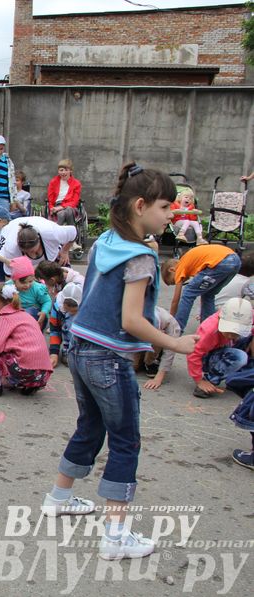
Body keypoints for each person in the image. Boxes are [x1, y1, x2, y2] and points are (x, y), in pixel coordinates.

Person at [41, 162, 198, 561]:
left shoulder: (107, 240)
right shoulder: (141, 257)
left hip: (79, 346)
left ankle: (58, 498)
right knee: (126, 440)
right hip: (109, 358)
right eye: (166, 207)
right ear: (140, 206)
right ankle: (115, 536)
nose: (172, 214)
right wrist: (176, 344)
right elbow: (132, 320)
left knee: (90, 426)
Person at [0, 283, 53, 396]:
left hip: (25, 371)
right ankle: (30, 386)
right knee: (16, 345)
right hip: (42, 374)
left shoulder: (5, 318)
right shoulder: (25, 314)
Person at [162, 243, 241, 332]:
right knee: (208, 294)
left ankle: (176, 329)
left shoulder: (180, 266)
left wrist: (170, 320)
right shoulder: (190, 262)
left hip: (222, 262)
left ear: (172, 270)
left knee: (188, 292)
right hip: (235, 260)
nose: (180, 282)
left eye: (174, 281)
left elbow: (175, 301)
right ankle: (208, 330)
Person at [186, 298, 253, 398]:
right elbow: (193, 353)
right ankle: (210, 380)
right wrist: (199, 380)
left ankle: (244, 375)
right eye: (228, 331)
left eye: (235, 332)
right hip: (207, 356)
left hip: (224, 346)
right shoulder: (210, 330)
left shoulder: (247, 315)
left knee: (245, 338)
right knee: (240, 357)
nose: (230, 335)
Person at [0, 216, 77, 276]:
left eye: (33, 251)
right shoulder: (11, 247)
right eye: (26, 252)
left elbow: (74, 233)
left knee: (65, 273)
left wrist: (65, 251)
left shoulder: (52, 233)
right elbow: (11, 276)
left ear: (39, 240)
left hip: (40, 225)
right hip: (10, 228)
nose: (31, 254)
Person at [140, 306, 182, 390]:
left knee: (157, 343)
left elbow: (170, 352)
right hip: (141, 337)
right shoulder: (138, 314)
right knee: (133, 366)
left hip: (160, 337)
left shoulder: (172, 325)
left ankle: (152, 361)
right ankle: (142, 357)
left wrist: (158, 378)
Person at [6, 256, 52, 328]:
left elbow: (47, 301)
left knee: (27, 313)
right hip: (15, 315)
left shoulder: (37, 288)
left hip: (36, 316)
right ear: (14, 280)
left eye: (30, 281)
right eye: (23, 283)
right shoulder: (8, 287)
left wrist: (44, 312)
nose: (27, 285)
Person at [48, 282, 82, 369]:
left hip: (82, 342)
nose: (71, 312)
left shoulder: (87, 307)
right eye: (67, 309)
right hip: (67, 335)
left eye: (74, 311)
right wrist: (54, 353)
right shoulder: (57, 306)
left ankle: (78, 350)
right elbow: (54, 330)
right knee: (68, 322)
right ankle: (67, 349)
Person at [46, 159, 81, 226]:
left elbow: (74, 202)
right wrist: (52, 208)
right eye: (61, 170)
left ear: (70, 171)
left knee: (68, 209)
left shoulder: (76, 184)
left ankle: (58, 231)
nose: (63, 172)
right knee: (62, 213)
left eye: (66, 170)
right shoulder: (53, 182)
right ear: (58, 171)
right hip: (56, 206)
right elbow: (50, 199)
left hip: (71, 207)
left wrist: (61, 207)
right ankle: (72, 230)